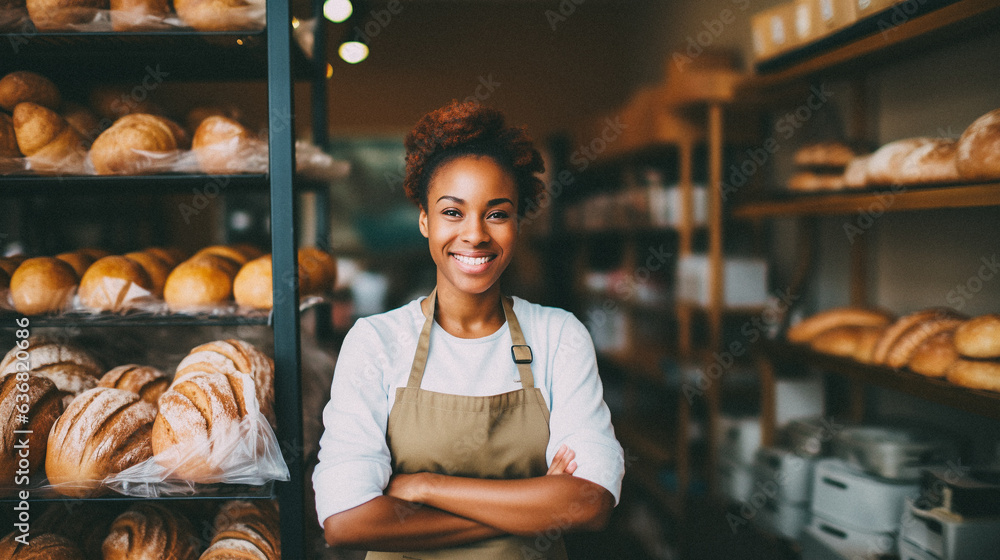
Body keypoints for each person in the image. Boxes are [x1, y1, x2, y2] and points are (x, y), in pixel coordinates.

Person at [313, 100, 625, 559]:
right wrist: (530, 505)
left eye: (497, 213)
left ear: (517, 223)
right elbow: (346, 521)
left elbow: (588, 503)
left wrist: (422, 486)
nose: (475, 234)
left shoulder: (558, 336)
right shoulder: (375, 342)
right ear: (425, 220)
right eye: (453, 212)